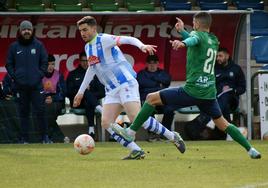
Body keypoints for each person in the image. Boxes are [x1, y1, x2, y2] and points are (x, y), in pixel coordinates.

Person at [112, 12, 261, 159]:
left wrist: (182, 43)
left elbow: (193, 39)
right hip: (208, 93)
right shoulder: (213, 40)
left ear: (196, 24)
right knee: (223, 124)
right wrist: (182, 32)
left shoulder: (197, 36)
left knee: (151, 98)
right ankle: (250, 149)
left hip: (193, 90)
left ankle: (130, 133)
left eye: (193, 23)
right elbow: (195, 40)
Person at [73, 16, 185, 160]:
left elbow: (128, 39)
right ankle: (135, 150)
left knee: (136, 118)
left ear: (94, 29)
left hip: (125, 82)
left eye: (85, 30)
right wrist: (80, 92)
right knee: (106, 122)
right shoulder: (88, 47)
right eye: (80, 31)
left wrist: (142, 46)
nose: (82, 33)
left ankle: (172, 136)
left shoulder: (104, 39)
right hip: (111, 89)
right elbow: (92, 68)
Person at [185, 47, 246, 140]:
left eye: (220, 56)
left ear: (227, 56)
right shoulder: (213, 69)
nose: (218, 58)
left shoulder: (236, 69)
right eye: (217, 56)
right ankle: (222, 133)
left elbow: (242, 87)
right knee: (220, 104)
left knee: (225, 96)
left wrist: (232, 90)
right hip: (215, 98)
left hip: (231, 99)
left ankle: (205, 121)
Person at [5, 20, 50, 144]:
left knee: (40, 111)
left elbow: (44, 62)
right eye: (24, 29)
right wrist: (15, 77)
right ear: (20, 31)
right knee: (23, 113)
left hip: (36, 86)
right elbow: (9, 64)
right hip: (20, 86)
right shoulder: (14, 47)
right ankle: (24, 139)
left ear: (32, 31)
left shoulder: (39, 45)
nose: (26, 32)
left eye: (29, 29)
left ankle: (45, 137)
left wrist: (39, 75)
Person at [67, 51, 105, 138]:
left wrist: (89, 94)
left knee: (89, 101)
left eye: (86, 61)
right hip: (77, 103)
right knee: (85, 92)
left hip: (90, 103)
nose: (84, 63)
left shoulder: (96, 74)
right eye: (82, 61)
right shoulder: (73, 74)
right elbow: (68, 92)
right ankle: (98, 108)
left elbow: (102, 92)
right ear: (79, 61)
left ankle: (91, 129)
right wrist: (81, 91)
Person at [137, 54, 174, 141]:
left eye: (154, 63)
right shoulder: (141, 74)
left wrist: (150, 85)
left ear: (158, 63)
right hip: (147, 100)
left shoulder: (163, 73)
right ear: (146, 64)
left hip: (161, 99)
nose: (152, 65)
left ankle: (165, 134)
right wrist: (159, 85)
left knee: (170, 110)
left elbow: (167, 81)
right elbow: (142, 83)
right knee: (148, 111)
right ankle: (152, 135)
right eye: (150, 63)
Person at [42, 54, 66, 142]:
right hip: (43, 100)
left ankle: (48, 137)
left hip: (57, 101)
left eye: (52, 64)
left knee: (49, 110)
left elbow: (63, 92)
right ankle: (58, 137)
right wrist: (43, 98)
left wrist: (53, 98)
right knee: (44, 110)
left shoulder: (58, 75)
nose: (50, 66)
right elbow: (36, 91)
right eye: (48, 64)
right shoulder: (39, 75)